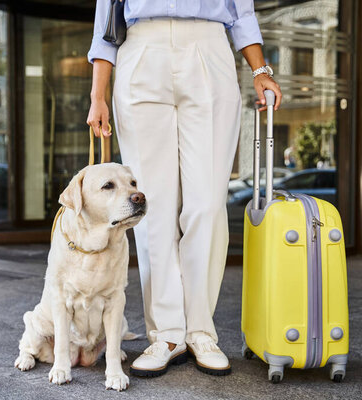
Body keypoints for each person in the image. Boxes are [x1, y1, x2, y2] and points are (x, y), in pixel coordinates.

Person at [86, 0, 282, 377]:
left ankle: (199, 330)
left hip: (208, 47)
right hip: (141, 48)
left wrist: (259, 68)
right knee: (149, 209)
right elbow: (107, 17)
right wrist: (98, 94)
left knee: (206, 205)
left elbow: (240, 9)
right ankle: (165, 334)